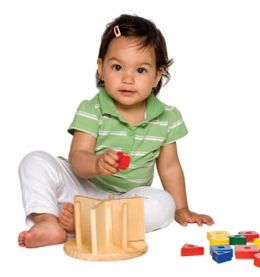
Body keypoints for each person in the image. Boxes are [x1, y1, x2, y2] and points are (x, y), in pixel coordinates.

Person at [18, 14, 214, 248]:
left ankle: (86, 224)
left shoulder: (167, 117)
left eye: (141, 70)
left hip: (125, 201)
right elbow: (77, 158)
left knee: (164, 205)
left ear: (157, 76)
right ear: (101, 69)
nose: (128, 79)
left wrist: (181, 208)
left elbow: (170, 167)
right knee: (34, 160)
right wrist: (96, 163)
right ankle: (48, 222)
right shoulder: (92, 109)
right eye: (118, 67)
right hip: (80, 188)